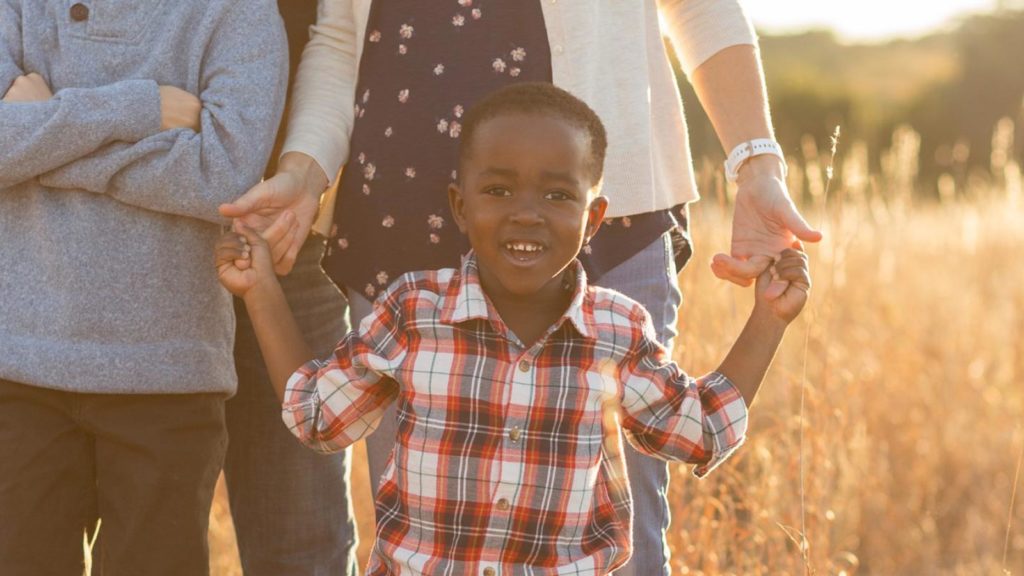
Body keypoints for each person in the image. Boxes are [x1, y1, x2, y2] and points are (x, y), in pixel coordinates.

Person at [219, 1, 823, 573]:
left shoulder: (611, 330)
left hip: (614, 236)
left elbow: (698, 428)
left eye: (551, 195)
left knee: (633, 545)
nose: (525, 212)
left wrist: (758, 169)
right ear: (462, 202)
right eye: (504, 190)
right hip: (396, 225)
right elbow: (340, 34)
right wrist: (302, 175)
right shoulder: (410, 314)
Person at [0, 1, 287, 574]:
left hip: (169, 376)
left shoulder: (239, 12)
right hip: (19, 369)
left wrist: (44, 127)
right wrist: (141, 108)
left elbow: (222, 175)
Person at [221, 3, 358, 574]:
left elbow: (342, 38)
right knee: (127, 524)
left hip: (286, 229)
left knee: (299, 538)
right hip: (101, 231)